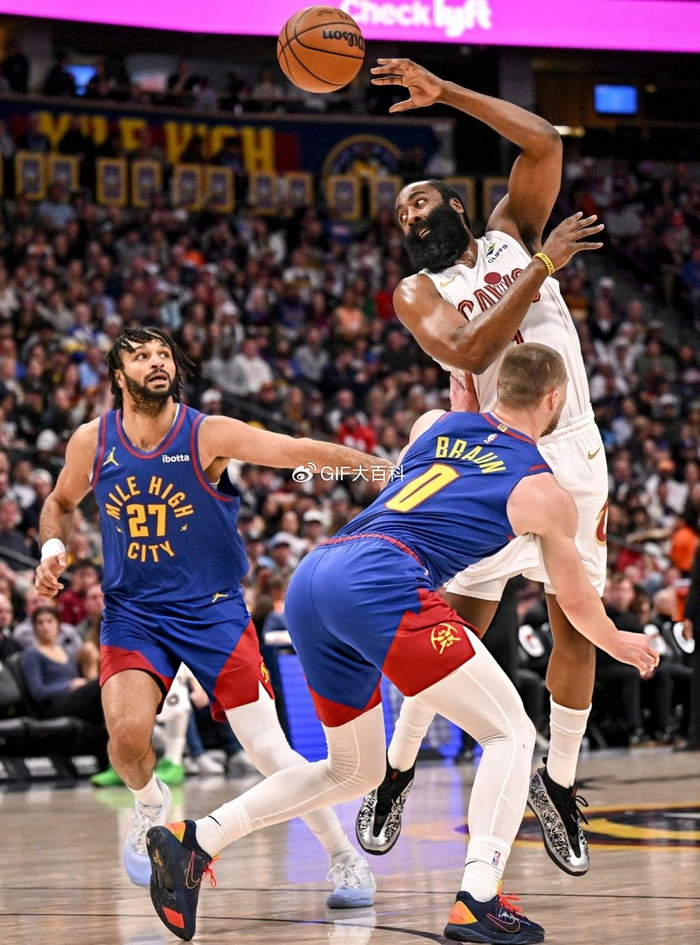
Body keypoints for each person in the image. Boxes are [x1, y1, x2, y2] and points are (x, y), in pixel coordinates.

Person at [144, 344, 658, 943]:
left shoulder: (433, 426)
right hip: (382, 580)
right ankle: (479, 899)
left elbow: (458, 427)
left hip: (315, 577)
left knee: (352, 770)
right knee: (512, 734)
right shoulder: (544, 491)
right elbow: (575, 600)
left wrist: (463, 404)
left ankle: (195, 840)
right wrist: (618, 640)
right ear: (556, 398)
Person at [35, 327, 391, 902]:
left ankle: (343, 858)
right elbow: (59, 502)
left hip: (213, 611)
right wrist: (53, 547)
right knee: (125, 739)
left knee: (270, 751)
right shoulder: (92, 441)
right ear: (118, 376)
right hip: (134, 612)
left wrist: (377, 469)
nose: (157, 362)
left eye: (164, 354)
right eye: (141, 356)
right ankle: (150, 803)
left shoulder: (206, 433)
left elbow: (296, 452)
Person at [358, 57, 609, 877]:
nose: (409, 216)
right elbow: (469, 349)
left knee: (579, 624)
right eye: (401, 213)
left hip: (573, 448)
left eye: (419, 201)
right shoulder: (416, 291)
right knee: (452, 630)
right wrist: (542, 269)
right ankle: (396, 768)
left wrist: (447, 93)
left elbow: (542, 144)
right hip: (492, 459)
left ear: (457, 205)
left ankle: (559, 783)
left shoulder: (510, 231)